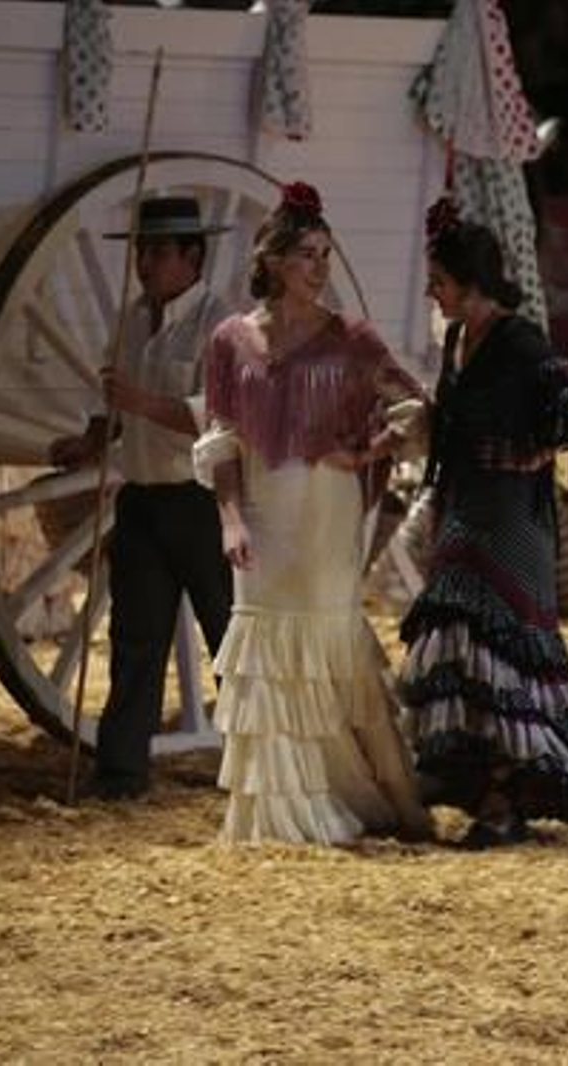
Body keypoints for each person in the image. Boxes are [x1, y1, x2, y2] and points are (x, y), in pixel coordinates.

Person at [398, 202, 568, 849]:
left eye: (439, 280)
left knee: (502, 650)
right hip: (462, 510)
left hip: (510, 518)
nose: (432, 290)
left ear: (469, 281)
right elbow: (452, 418)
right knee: (455, 636)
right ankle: (478, 785)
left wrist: (537, 449)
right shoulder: (457, 339)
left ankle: (505, 805)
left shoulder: (519, 339)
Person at [193, 182, 429, 845]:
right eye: (305, 255)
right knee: (265, 652)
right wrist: (231, 519)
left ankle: (350, 796)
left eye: (326, 254)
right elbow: (220, 440)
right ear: (270, 261)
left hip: (328, 511)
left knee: (327, 641)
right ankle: (281, 814)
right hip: (263, 513)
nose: (320, 268)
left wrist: (370, 448)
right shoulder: (228, 341)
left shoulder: (352, 338)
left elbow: (414, 406)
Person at [50, 196, 233, 800]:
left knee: (229, 641)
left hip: (203, 502)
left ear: (192, 257)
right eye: (140, 250)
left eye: (157, 251)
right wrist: (90, 442)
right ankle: (122, 773)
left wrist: (138, 403)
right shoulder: (132, 319)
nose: (145, 263)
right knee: (135, 639)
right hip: (143, 501)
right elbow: (113, 411)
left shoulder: (221, 325)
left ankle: (257, 771)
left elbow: (217, 418)